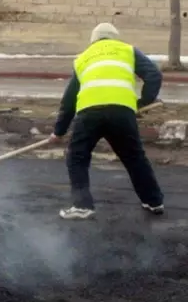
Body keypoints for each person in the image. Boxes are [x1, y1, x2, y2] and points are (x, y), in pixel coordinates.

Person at [49, 22, 164, 221]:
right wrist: (142, 101)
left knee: (77, 157)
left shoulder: (83, 58)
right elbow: (154, 75)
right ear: (115, 38)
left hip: (89, 113)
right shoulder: (127, 50)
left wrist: (59, 131)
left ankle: (82, 206)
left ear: (93, 40)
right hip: (121, 112)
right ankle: (154, 202)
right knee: (134, 158)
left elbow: (68, 101)